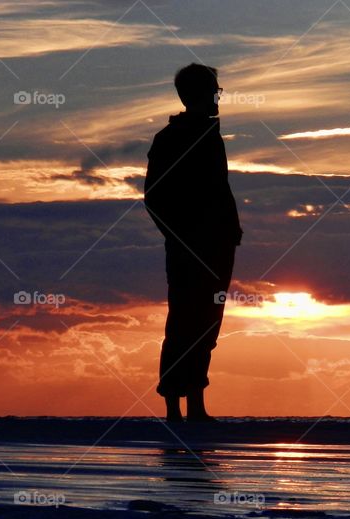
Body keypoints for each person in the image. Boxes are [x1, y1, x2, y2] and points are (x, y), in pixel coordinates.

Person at [145, 63, 242, 422]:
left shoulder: (209, 134)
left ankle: (196, 407)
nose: (219, 96)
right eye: (215, 90)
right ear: (200, 93)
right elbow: (154, 196)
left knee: (206, 323)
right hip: (189, 248)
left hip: (217, 247)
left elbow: (219, 190)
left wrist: (230, 230)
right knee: (184, 322)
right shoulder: (171, 139)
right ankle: (174, 407)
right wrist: (179, 236)